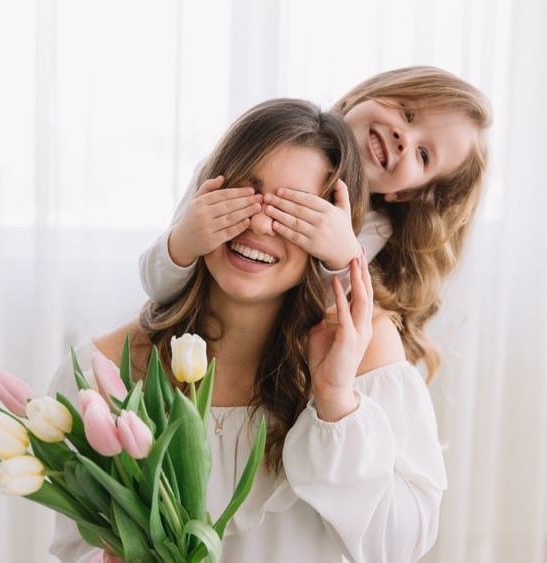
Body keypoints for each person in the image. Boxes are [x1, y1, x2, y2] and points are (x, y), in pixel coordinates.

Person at [49, 98, 447, 563]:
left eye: (293, 211)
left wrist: (335, 399)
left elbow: (392, 553)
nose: (260, 225)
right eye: (245, 195)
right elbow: (81, 556)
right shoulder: (105, 373)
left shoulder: (367, 355)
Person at [139, 65, 492, 379]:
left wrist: (340, 261)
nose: (404, 138)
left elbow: (311, 325)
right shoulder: (245, 157)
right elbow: (158, 287)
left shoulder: (370, 231)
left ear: (406, 195)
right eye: (407, 113)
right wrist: (185, 241)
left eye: (424, 154)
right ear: (362, 95)